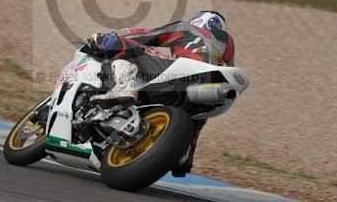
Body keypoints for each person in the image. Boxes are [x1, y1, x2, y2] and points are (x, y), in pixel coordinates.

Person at [85, 10, 235, 177]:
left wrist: (107, 38)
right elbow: (197, 123)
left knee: (118, 44)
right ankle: (183, 152)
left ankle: (125, 86)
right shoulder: (225, 52)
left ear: (199, 21)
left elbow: (148, 35)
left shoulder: (188, 29)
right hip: (204, 94)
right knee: (197, 114)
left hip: (182, 75)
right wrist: (183, 156)